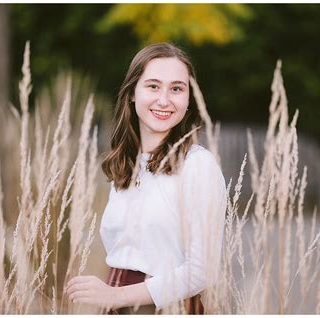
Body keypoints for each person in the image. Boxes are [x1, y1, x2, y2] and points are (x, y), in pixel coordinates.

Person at [66, 42, 226, 314]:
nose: (164, 100)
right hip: (116, 306)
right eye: (153, 86)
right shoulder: (127, 165)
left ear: (188, 100)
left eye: (176, 88)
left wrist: (117, 297)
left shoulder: (198, 166)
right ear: (132, 93)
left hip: (164, 309)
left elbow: (202, 271)